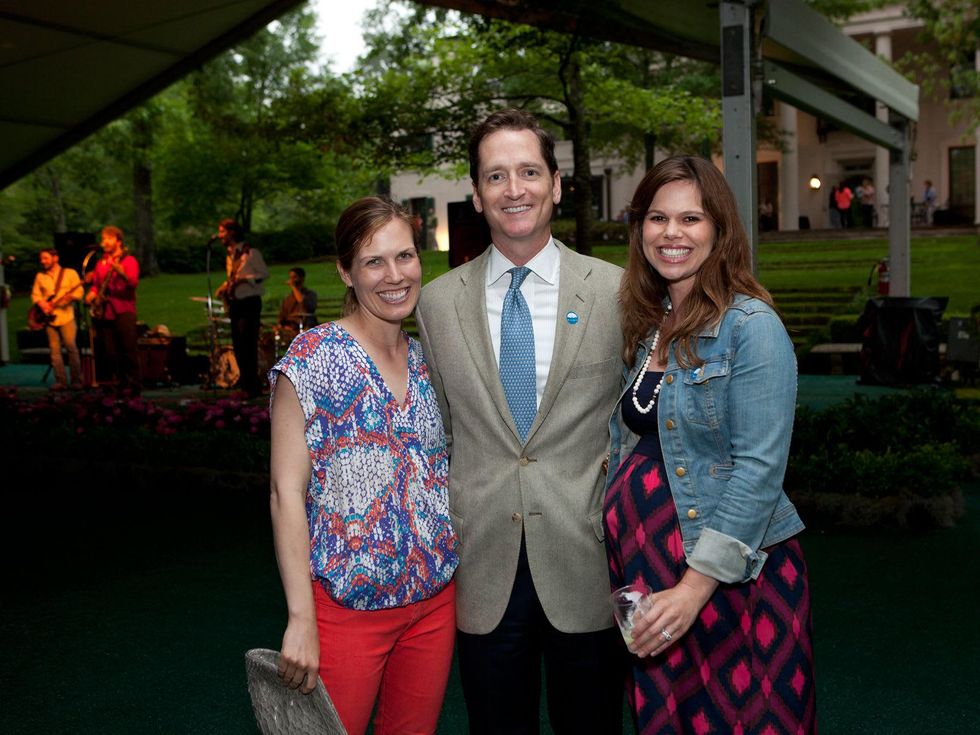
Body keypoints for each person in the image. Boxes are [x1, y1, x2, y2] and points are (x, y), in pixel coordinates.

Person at [415, 109, 626, 734]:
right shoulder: (436, 304)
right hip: (483, 562)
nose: (515, 189)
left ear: (556, 185)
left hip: (587, 556)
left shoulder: (617, 293)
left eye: (530, 172)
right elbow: (440, 433)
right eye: (496, 175)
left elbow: (635, 426)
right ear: (477, 194)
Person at [605, 155, 816, 733]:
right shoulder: (649, 325)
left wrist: (694, 589)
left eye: (691, 219)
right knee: (667, 716)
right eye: (657, 218)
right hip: (649, 563)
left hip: (727, 574)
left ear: (719, 230)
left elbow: (759, 471)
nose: (671, 233)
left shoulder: (752, 327)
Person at [269, 197, 458, 735]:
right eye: (374, 261)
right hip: (347, 610)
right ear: (345, 272)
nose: (394, 276)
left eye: (405, 256)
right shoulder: (312, 358)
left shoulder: (425, 359)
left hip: (434, 604)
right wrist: (301, 618)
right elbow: (285, 492)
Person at [215, 218, 268, 397]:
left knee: (248, 344)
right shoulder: (231, 256)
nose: (220, 236)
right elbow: (233, 276)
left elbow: (263, 274)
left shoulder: (250, 253)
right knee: (238, 345)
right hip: (236, 303)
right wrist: (225, 286)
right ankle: (246, 385)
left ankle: (253, 387)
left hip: (249, 302)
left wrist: (244, 279)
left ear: (231, 232)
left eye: (222, 232)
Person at [85, 226, 140, 393]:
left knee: (128, 349)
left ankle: (133, 385)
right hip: (105, 311)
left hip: (123, 309)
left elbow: (133, 283)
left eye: (109, 238)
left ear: (119, 241)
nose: (105, 242)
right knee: (110, 351)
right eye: (103, 239)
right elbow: (97, 285)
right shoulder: (101, 262)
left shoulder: (128, 260)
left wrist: (122, 273)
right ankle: (117, 382)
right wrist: (92, 294)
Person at [31, 247, 84, 391]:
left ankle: (76, 380)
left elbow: (79, 292)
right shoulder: (40, 276)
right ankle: (61, 382)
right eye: (41, 259)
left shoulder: (70, 273)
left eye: (46, 258)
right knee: (54, 351)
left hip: (66, 316)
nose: (43, 261)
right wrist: (42, 304)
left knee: (71, 347)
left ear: (55, 258)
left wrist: (70, 297)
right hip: (49, 318)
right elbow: (35, 295)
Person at [277, 267, 318, 332]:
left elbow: (303, 303)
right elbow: (282, 316)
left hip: (306, 326)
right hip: (290, 328)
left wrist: (294, 287)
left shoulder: (310, 294)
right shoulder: (287, 298)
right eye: (291, 277)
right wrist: (282, 326)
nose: (292, 280)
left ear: (302, 278)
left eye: (294, 277)